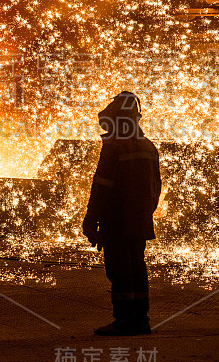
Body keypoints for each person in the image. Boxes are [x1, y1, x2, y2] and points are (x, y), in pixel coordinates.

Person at [82, 91, 162, 336]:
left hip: (116, 219)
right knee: (137, 267)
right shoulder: (149, 147)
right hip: (139, 219)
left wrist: (91, 220)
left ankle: (124, 320)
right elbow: (156, 187)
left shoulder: (114, 147)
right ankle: (141, 319)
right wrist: (146, 212)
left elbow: (101, 186)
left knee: (118, 269)